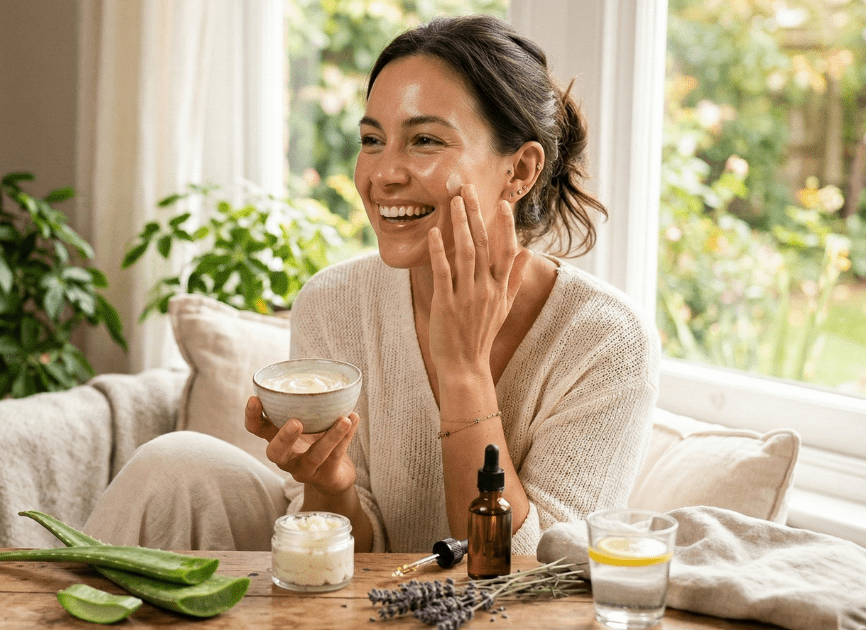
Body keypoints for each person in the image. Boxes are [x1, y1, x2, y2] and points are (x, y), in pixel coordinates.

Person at [82, 14, 659, 555]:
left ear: (520, 170)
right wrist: (332, 484)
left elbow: (526, 575)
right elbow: (355, 557)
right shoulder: (334, 303)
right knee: (174, 465)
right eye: (371, 140)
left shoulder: (606, 340)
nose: (383, 174)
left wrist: (464, 368)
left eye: (426, 140)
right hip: (366, 599)